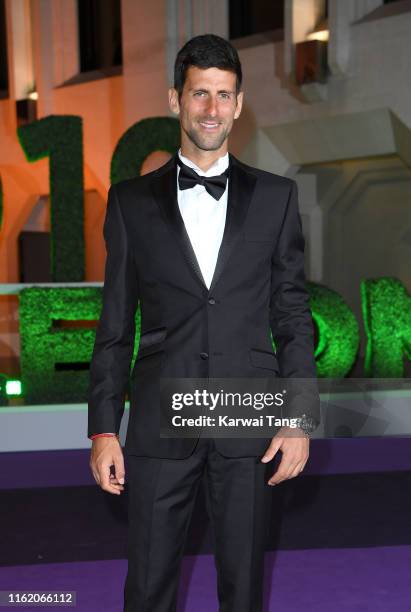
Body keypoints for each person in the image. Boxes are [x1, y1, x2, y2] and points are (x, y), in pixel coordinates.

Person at [88, 33, 319, 612]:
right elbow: (115, 323)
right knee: (147, 586)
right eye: (199, 94)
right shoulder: (130, 203)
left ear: (239, 104)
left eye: (223, 95)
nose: (212, 109)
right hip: (160, 422)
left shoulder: (277, 198)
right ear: (175, 99)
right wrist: (103, 428)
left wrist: (298, 421)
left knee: (243, 589)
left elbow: (292, 314)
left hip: (249, 420)